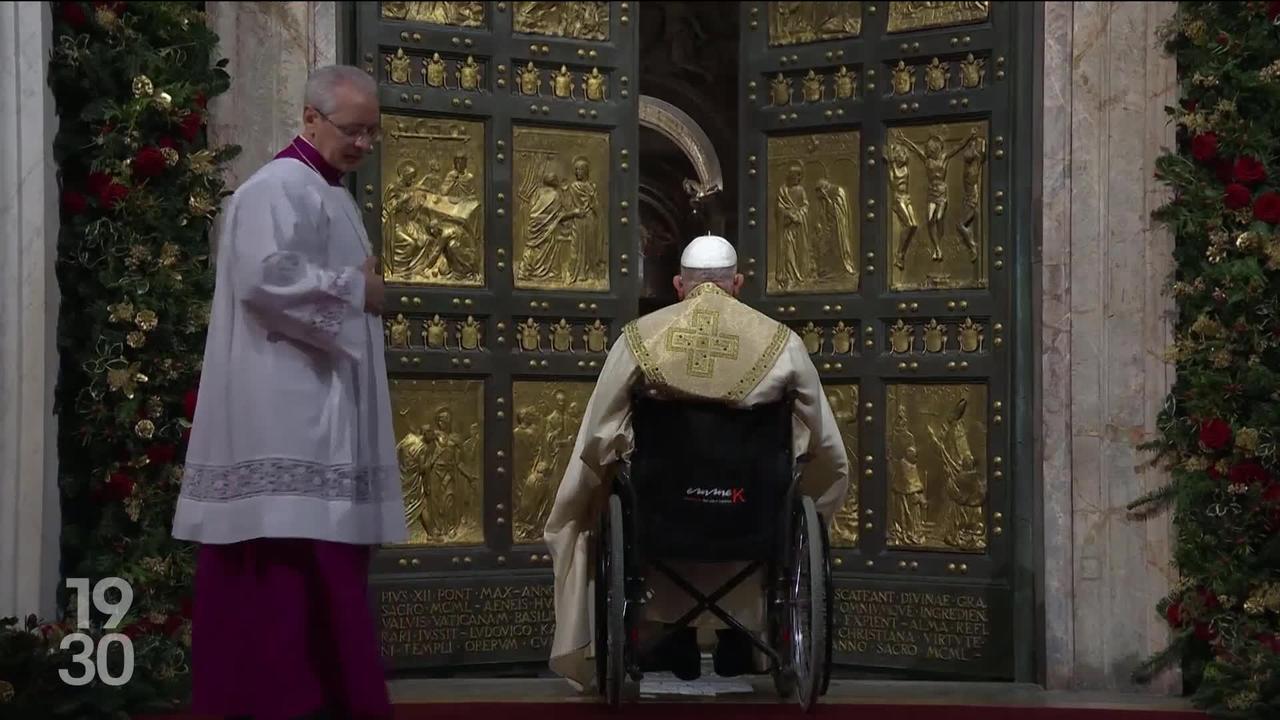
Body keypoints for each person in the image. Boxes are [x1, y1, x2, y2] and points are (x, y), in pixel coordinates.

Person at [171, 65, 405, 720]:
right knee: (283, 594)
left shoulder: (331, 194)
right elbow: (264, 278)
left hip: (323, 414)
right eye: (351, 130)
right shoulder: (273, 189)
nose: (362, 144)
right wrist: (358, 290)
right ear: (309, 118)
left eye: (371, 133)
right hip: (284, 422)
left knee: (326, 586)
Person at [544, 234, 850, 688]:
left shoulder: (640, 340)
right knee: (781, 491)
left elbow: (598, 437)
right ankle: (740, 642)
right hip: (754, 519)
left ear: (678, 286)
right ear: (738, 285)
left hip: (662, 519)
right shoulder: (781, 344)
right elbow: (828, 449)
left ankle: (670, 636)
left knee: (613, 494)